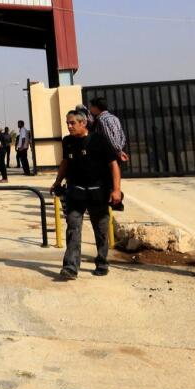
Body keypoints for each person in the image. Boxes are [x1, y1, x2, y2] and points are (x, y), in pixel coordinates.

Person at [50, 110, 122, 281]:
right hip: (75, 193)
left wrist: (116, 189)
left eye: (72, 123)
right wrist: (57, 182)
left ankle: (102, 262)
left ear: (83, 123)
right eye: (67, 123)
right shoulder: (67, 142)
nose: (69, 126)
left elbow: (114, 165)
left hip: (98, 192)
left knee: (101, 229)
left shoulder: (99, 140)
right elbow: (65, 162)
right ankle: (70, 267)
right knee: (73, 228)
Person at [89, 97, 129, 164]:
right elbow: (122, 135)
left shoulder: (101, 119)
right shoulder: (114, 117)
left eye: (91, 106)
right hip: (117, 150)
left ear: (96, 107)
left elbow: (109, 137)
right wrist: (120, 148)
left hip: (107, 153)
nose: (90, 108)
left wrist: (118, 151)